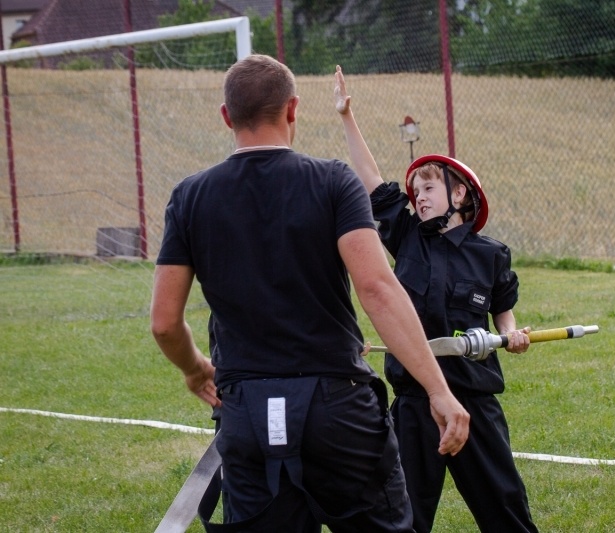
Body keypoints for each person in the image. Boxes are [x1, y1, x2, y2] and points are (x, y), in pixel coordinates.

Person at [150, 54, 469, 533]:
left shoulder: (189, 196)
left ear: (226, 116)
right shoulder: (333, 181)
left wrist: (195, 370)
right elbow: (377, 288)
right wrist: (438, 390)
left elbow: (163, 323)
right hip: (337, 408)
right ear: (293, 109)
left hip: (245, 412)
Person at [334, 65, 539, 533]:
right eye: (416, 191)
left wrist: (512, 336)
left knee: (506, 509)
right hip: (413, 403)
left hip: (475, 400)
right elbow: (371, 181)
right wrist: (347, 116)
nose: (419, 197)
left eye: (428, 188)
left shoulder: (491, 256)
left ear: (459, 193)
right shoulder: (406, 237)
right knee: (401, 517)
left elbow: (504, 316)